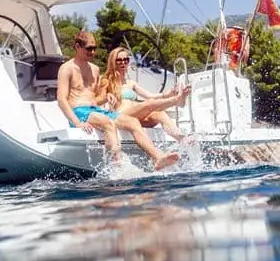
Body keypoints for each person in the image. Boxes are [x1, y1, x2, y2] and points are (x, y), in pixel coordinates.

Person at [56, 31, 189, 171]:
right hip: (79, 112)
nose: (93, 52)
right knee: (107, 122)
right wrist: (77, 122)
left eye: (95, 48)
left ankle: (158, 158)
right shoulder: (67, 69)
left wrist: (106, 97)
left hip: (95, 110)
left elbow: (94, 99)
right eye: (89, 48)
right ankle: (118, 164)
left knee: (133, 122)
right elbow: (61, 99)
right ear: (77, 46)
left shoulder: (95, 70)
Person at [99, 46, 191, 145]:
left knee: (160, 114)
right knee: (147, 104)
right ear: (113, 61)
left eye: (126, 59)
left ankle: (182, 139)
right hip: (119, 117)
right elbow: (98, 101)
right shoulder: (106, 81)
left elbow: (150, 96)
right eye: (119, 60)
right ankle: (177, 101)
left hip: (135, 118)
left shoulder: (130, 83)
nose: (123, 62)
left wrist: (169, 93)